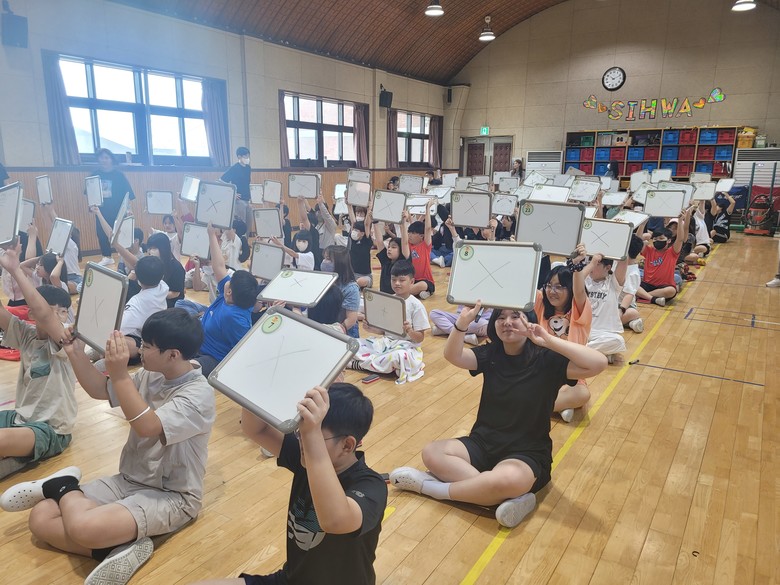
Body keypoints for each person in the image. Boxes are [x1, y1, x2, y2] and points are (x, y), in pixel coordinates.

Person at [0, 309, 215, 585]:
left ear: (173, 355)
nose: (140, 349)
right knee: (41, 518)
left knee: (84, 526)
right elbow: (100, 389)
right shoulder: (152, 374)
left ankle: (62, 485)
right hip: (128, 480)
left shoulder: (199, 394)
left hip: (173, 495)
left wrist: (120, 374)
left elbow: (148, 426)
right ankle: (113, 549)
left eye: (147, 346)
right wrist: (74, 351)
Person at [389, 302, 607, 528]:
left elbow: (599, 363)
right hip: (483, 443)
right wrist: (462, 324)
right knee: (432, 452)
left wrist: (548, 340)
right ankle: (499, 495)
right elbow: (453, 355)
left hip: (526, 454)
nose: (507, 322)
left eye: (515, 316)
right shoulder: (491, 353)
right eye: (501, 317)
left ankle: (431, 488)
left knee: (506, 479)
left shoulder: (547, 359)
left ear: (530, 322)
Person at [191, 384, 386, 585]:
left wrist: (311, 435)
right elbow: (256, 429)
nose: (302, 441)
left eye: (314, 436)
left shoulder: (372, 486)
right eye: (299, 433)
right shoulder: (307, 455)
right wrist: (258, 383)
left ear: (347, 445)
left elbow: (335, 521)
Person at [0, 244, 75, 479]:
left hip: (51, 430)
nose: (60, 316)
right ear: (30, 313)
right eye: (55, 310)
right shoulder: (27, 334)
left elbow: (44, 314)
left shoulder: (64, 341)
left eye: (64, 311)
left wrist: (15, 269)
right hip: (20, 419)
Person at [534, 245, 593, 423]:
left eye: (559, 287)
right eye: (549, 286)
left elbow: (579, 291)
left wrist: (576, 266)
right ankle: (559, 406)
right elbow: (525, 282)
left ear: (570, 289)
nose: (552, 291)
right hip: (540, 370)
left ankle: (537, 406)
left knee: (583, 394)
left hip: (569, 372)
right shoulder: (540, 303)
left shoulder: (578, 311)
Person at [194, 224, 258, 376]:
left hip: (214, 358)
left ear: (229, 292)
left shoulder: (233, 316)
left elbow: (245, 352)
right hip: (199, 342)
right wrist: (211, 235)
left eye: (230, 280)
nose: (227, 279)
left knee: (187, 368)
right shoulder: (236, 296)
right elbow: (219, 266)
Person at [351, 260, 429, 385]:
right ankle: (376, 364)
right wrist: (371, 329)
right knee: (354, 344)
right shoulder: (389, 300)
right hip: (386, 343)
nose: (397, 283)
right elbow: (385, 331)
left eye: (402, 280)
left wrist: (410, 331)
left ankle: (359, 364)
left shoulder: (416, 306)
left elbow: (420, 338)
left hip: (408, 347)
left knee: (399, 356)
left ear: (412, 282)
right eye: (394, 280)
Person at [91, 255, 168, 370]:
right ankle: (98, 352)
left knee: (111, 337)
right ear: (162, 276)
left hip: (142, 344)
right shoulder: (163, 286)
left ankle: (103, 358)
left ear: (138, 278)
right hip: (153, 337)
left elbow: (118, 328)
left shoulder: (137, 302)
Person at [90, 148, 135, 267]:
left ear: (111, 159)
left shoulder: (119, 175)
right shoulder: (94, 175)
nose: (104, 160)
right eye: (101, 158)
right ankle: (107, 256)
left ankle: (123, 253)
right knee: (101, 233)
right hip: (101, 211)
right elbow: (90, 193)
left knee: (119, 232)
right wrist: (92, 206)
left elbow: (127, 194)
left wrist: (129, 208)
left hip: (118, 210)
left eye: (106, 157)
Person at [637, 209, 688, 306]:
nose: (657, 241)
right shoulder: (649, 250)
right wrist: (642, 224)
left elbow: (680, 239)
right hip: (647, 284)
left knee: (671, 291)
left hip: (663, 286)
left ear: (669, 241)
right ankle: (653, 299)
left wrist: (680, 220)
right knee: (631, 284)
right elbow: (637, 241)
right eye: (655, 239)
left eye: (661, 238)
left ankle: (644, 296)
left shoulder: (672, 252)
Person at [584, 255, 627, 364]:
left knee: (618, 341)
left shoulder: (613, 283)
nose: (591, 266)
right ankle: (601, 355)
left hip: (603, 333)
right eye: (590, 263)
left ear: (607, 268)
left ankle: (578, 351)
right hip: (582, 329)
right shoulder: (584, 280)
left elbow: (623, 258)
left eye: (596, 264)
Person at [321, 246, 360, 338]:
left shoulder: (351, 288)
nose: (324, 262)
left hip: (344, 332)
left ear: (340, 263)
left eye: (328, 259)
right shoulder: (323, 281)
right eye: (324, 258)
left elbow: (351, 319)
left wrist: (334, 330)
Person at [299, 194, 337, 269]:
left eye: (320, 212)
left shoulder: (330, 225)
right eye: (317, 212)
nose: (318, 213)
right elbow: (310, 210)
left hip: (328, 253)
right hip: (317, 252)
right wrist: (304, 197)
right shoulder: (317, 224)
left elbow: (326, 215)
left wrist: (320, 204)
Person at [407, 199, 436, 299]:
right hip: (413, 280)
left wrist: (427, 209)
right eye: (409, 233)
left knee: (422, 285)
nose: (410, 235)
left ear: (421, 236)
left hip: (426, 281)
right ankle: (417, 292)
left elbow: (427, 228)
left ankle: (405, 293)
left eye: (413, 233)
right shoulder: (409, 245)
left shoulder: (425, 245)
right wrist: (408, 217)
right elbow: (413, 225)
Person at [221, 146, 252, 227]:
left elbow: (248, 183)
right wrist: (233, 194)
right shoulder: (234, 168)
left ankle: (247, 236)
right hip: (239, 201)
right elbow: (221, 181)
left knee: (249, 224)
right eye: (245, 156)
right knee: (241, 225)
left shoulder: (248, 168)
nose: (247, 158)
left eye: (248, 156)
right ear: (239, 157)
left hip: (248, 200)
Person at [619, 235, 645, 333]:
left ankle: (630, 319)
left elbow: (629, 295)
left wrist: (621, 311)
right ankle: (630, 323)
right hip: (611, 304)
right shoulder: (617, 264)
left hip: (625, 307)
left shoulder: (633, 273)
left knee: (632, 312)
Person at [346, 202, 374, 288]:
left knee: (360, 282)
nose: (353, 232)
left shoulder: (367, 240)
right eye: (353, 230)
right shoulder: (352, 239)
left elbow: (367, 224)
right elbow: (353, 221)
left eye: (356, 231)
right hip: (352, 274)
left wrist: (369, 208)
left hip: (365, 276)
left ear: (362, 233)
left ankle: (353, 285)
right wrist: (349, 205)